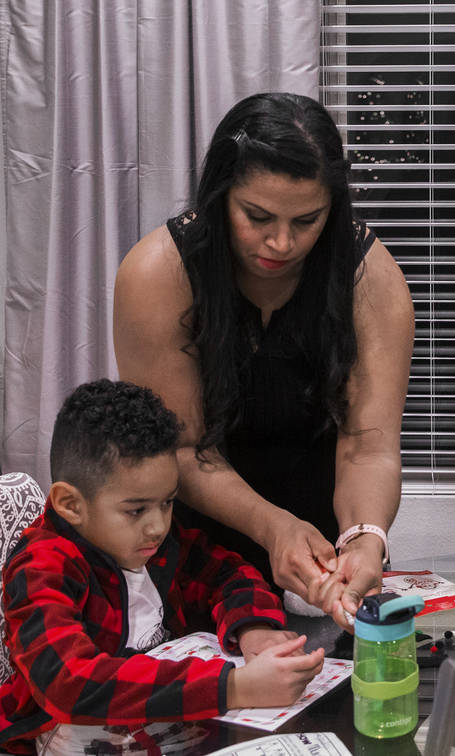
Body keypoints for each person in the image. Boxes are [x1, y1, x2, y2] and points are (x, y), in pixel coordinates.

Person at [113, 93, 414, 628]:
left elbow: (369, 447)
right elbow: (180, 449)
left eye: (307, 220)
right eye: (257, 216)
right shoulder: (159, 272)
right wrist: (273, 527)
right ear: (221, 195)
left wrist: (365, 536)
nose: (281, 241)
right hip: (194, 554)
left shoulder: (368, 276)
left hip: (323, 557)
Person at [0, 380, 324, 755]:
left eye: (167, 503)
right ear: (70, 505)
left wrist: (253, 628)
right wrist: (233, 687)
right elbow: (70, 682)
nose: (158, 526)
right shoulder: (41, 567)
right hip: (60, 738)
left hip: (166, 728)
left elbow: (228, 573)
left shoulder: (151, 545)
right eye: (136, 510)